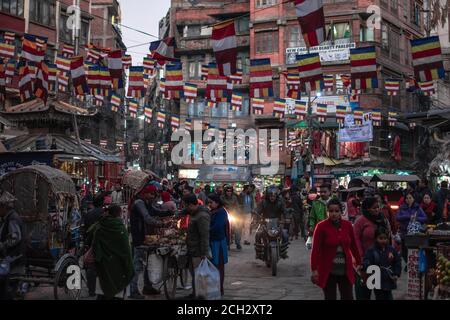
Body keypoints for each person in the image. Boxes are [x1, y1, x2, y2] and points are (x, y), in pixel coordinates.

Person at [310, 199, 361, 300]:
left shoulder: (348, 225)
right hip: (328, 270)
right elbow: (315, 250)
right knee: (330, 297)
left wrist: (359, 262)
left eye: (336, 211)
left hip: (345, 269)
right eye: (331, 211)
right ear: (327, 211)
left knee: (348, 297)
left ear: (341, 212)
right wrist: (314, 269)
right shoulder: (321, 227)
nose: (334, 214)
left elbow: (354, 246)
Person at [129, 185, 172, 299]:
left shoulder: (146, 202)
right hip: (138, 237)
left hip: (146, 236)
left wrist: (169, 212)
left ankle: (147, 287)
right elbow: (147, 217)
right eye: (152, 194)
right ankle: (133, 291)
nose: (154, 196)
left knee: (147, 262)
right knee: (137, 265)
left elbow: (155, 211)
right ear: (146, 193)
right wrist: (162, 224)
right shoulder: (139, 203)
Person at [88, 205, 133, 300]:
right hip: (118, 268)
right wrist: (129, 267)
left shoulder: (100, 226)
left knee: (103, 292)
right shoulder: (120, 228)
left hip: (104, 265)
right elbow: (126, 250)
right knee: (116, 292)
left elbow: (95, 245)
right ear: (120, 214)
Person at [353, 197, 392, 300]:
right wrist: (360, 259)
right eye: (373, 208)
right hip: (364, 264)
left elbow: (389, 238)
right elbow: (355, 240)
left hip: (381, 263)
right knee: (363, 294)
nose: (376, 209)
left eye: (377, 207)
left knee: (384, 295)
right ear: (366, 208)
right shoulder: (360, 221)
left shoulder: (383, 219)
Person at [362, 227, 402, 300]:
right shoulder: (371, 250)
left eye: (385, 238)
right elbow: (366, 260)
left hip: (389, 278)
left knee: (388, 295)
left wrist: (396, 273)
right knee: (380, 296)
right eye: (380, 238)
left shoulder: (391, 249)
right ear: (375, 239)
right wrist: (366, 264)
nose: (383, 240)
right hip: (377, 279)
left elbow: (397, 261)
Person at [183, 194, 210, 298]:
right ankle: (195, 293)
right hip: (193, 248)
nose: (185, 208)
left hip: (198, 250)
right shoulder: (195, 212)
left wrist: (204, 253)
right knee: (194, 273)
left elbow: (205, 235)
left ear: (190, 204)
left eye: (185, 205)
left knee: (199, 274)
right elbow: (184, 211)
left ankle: (201, 295)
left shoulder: (202, 216)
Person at [0, 192, 25, 300]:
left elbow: (15, 238)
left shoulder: (12, 218)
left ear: (4, 207)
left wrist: (3, 245)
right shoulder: (8, 218)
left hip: (14, 256)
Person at [81, 193, 105, 297]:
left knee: (90, 265)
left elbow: (85, 228)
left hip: (89, 241)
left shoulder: (88, 214)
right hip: (101, 241)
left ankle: (91, 290)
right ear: (103, 203)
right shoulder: (105, 213)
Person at [255, 187, 288, 257]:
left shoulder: (280, 202)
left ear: (276, 195)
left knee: (285, 234)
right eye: (271, 196)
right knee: (258, 234)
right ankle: (258, 252)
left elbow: (284, 211)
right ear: (268, 196)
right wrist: (256, 218)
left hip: (277, 223)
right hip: (265, 223)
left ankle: (283, 252)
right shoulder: (263, 202)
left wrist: (287, 217)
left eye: (274, 196)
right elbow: (258, 211)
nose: (272, 197)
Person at [396, 192, 427, 266]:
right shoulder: (402, 207)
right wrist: (408, 216)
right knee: (404, 251)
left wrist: (416, 218)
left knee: (414, 250)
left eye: (410, 198)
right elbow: (397, 217)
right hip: (404, 232)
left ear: (413, 199)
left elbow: (424, 218)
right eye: (407, 198)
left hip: (414, 234)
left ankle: (413, 265)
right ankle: (408, 263)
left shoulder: (417, 207)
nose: (408, 199)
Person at [207, 193, 229, 297]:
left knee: (219, 266)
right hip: (213, 241)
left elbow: (217, 226)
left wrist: (206, 230)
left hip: (218, 242)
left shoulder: (221, 212)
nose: (209, 204)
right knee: (213, 266)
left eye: (211, 202)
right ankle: (214, 288)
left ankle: (220, 288)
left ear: (217, 202)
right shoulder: (213, 211)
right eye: (209, 203)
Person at [221, 185, 241, 250]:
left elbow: (237, 206)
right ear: (225, 191)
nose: (229, 192)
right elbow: (220, 206)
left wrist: (239, 213)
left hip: (233, 214)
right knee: (223, 229)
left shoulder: (234, 198)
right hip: (225, 215)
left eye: (230, 191)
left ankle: (238, 243)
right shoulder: (222, 198)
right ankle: (226, 243)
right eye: (227, 191)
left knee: (237, 228)